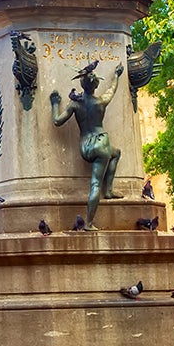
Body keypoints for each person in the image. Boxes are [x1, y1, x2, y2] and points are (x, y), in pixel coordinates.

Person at [49, 61, 126, 228]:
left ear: (82, 85)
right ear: (96, 85)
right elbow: (112, 90)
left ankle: (109, 191)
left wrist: (55, 103)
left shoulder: (75, 104)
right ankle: (89, 223)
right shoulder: (101, 101)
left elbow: (57, 121)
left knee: (116, 153)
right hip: (100, 142)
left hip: (85, 147)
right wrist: (116, 75)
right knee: (95, 183)